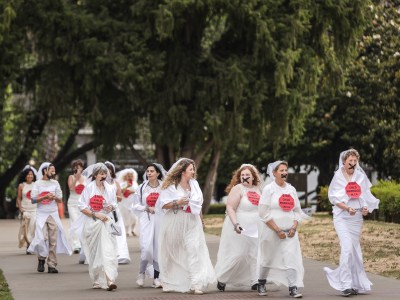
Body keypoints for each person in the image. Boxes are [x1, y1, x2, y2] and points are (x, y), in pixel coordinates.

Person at [324, 149, 379, 297]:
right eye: (350, 161)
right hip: (342, 217)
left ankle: (355, 284)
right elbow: (334, 199)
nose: (353, 164)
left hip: (356, 219)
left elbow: (364, 196)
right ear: (344, 161)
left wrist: (365, 208)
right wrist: (347, 208)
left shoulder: (360, 176)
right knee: (347, 248)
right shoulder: (337, 177)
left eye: (355, 161)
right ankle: (345, 284)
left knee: (355, 252)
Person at [158, 158, 216, 294]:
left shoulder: (194, 184)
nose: (193, 172)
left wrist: (201, 220)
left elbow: (198, 204)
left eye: (193, 169)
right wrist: (177, 202)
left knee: (194, 249)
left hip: (192, 221)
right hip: (175, 220)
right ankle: (167, 280)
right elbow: (163, 205)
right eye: (191, 169)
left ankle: (196, 284)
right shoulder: (171, 186)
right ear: (183, 171)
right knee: (172, 252)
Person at [258, 160, 309, 298]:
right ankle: (261, 283)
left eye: (286, 170)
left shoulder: (291, 189)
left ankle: (293, 287)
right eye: (281, 170)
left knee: (290, 258)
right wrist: (277, 230)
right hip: (272, 230)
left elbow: (297, 211)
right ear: (274, 173)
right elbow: (263, 212)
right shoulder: (269, 189)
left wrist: (294, 227)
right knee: (267, 258)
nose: (284, 173)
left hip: (290, 232)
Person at [214, 164, 262, 292]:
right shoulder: (238, 189)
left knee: (254, 253)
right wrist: (236, 224)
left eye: (247, 175)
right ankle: (222, 278)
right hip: (240, 224)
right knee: (239, 254)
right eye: (242, 175)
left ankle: (255, 281)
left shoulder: (257, 189)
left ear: (253, 177)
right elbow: (230, 207)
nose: (245, 177)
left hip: (256, 226)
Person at [75, 163, 119, 291]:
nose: (103, 176)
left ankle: (110, 280)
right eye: (101, 173)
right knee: (94, 253)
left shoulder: (110, 188)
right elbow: (81, 206)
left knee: (108, 250)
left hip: (106, 221)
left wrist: (111, 207)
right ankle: (95, 279)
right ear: (95, 175)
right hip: (92, 223)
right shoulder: (88, 188)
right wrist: (96, 214)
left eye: (105, 173)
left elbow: (114, 203)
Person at [28, 162, 72, 273]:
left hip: (53, 214)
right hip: (41, 214)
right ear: (45, 171)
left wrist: (54, 198)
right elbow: (33, 199)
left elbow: (60, 199)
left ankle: (52, 264)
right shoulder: (37, 184)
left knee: (53, 240)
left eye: (54, 170)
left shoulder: (55, 183)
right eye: (51, 170)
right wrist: (44, 197)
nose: (54, 172)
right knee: (42, 237)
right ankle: (41, 259)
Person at [132, 163, 166, 288]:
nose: (149, 173)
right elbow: (135, 205)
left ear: (158, 173)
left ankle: (157, 277)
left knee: (157, 248)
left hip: (160, 219)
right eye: (148, 171)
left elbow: (167, 202)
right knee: (146, 248)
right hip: (146, 219)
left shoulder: (164, 187)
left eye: (152, 171)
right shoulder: (141, 188)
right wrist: (146, 208)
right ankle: (141, 273)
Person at [105, 161, 131, 264]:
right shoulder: (99, 183)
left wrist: (113, 198)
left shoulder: (115, 183)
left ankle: (121, 253)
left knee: (117, 230)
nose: (108, 173)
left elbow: (120, 197)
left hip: (114, 210)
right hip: (104, 210)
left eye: (109, 170)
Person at [16, 165, 37, 254]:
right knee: (25, 228)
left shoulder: (36, 185)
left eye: (31, 174)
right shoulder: (21, 185)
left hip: (34, 209)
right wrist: (21, 209)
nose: (30, 176)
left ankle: (30, 245)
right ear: (25, 176)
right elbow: (18, 198)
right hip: (25, 210)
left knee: (33, 226)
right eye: (28, 174)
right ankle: (28, 245)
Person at [67, 159, 86, 254]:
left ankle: (83, 243)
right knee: (74, 222)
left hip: (82, 204)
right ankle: (76, 245)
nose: (77, 168)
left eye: (79, 167)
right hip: (72, 203)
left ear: (82, 168)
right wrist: (76, 178)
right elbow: (71, 188)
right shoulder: (71, 177)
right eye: (76, 167)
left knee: (82, 224)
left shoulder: (86, 178)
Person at [116, 168, 139, 236]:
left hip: (133, 202)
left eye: (131, 176)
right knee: (125, 216)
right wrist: (127, 186)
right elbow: (121, 191)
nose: (130, 177)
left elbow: (138, 191)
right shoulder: (122, 183)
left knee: (134, 217)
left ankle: (132, 230)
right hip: (124, 202)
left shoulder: (135, 183)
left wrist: (132, 191)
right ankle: (126, 231)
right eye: (128, 176)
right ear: (125, 176)